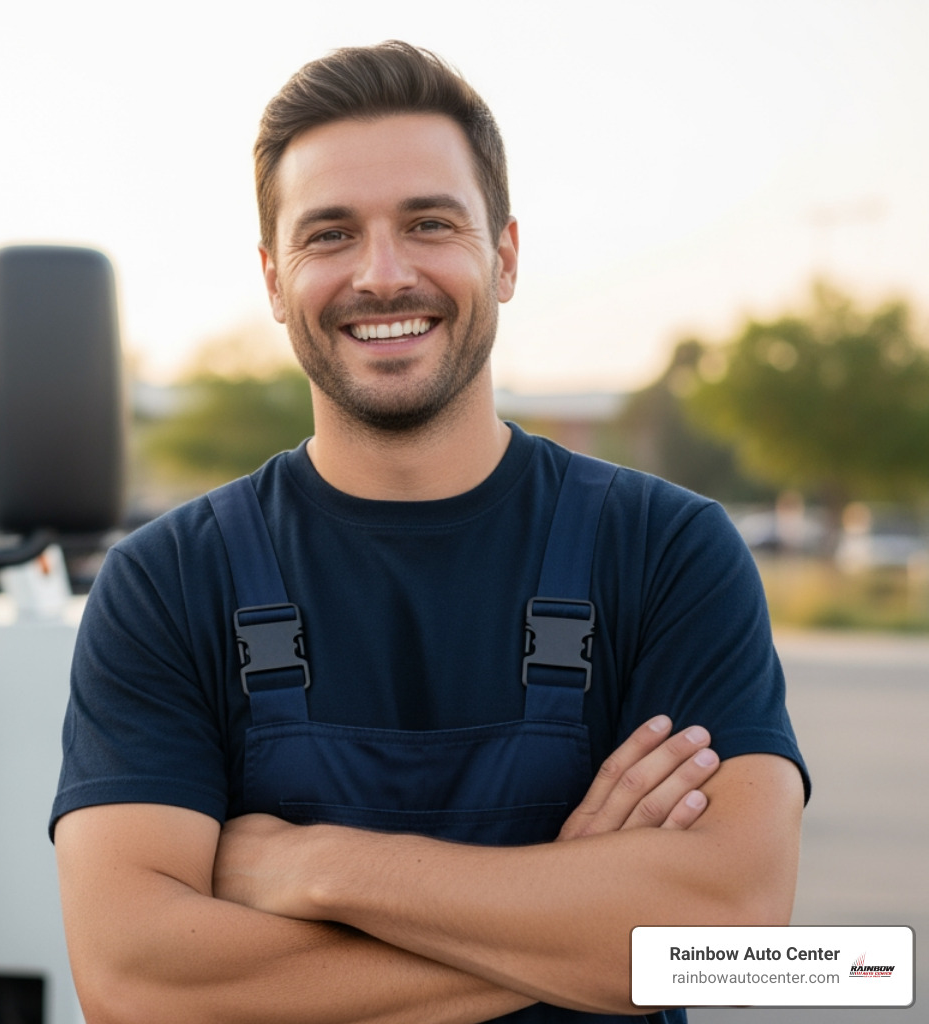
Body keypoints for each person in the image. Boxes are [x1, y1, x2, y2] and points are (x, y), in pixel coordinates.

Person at [50, 41, 808, 1024]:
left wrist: (320, 866)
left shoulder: (669, 553)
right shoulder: (167, 582)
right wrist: (577, 914)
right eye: (330, 235)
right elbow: (138, 982)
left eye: (429, 223)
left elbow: (737, 933)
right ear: (275, 281)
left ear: (505, 257)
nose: (383, 273)